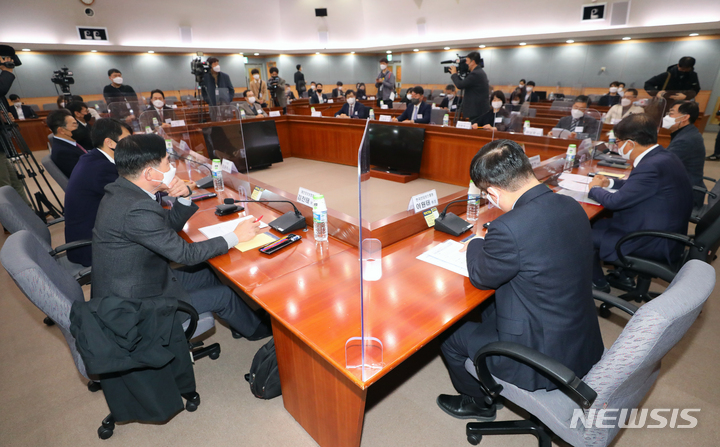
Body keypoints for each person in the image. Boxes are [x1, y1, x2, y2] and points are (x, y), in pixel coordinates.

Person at [438, 139, 604, 420]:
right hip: (580, 337)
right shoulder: (571, 204)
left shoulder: (508, 227)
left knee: (451, 338)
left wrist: (476, 241)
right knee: (489, 307)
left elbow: (481, 277)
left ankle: (479, 403)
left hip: (540, 357)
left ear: (493, 192)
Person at [91, 133, 271, 341]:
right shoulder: (136, 208)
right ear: (149, 173)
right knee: (224, 295)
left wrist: (184, 196)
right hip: (136, 304)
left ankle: (241, 321)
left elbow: (164, 227)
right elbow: (186, 254)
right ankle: (257, 330)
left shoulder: (124, 190)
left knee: (207, 273)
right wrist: (235, 236)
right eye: (167, 162)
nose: (172, 168)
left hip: (142, 278)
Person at [588, 114, 693, 292]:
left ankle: (598, 284)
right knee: (595, 224)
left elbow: (614, 202)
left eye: (618, 142)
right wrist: (609, 183)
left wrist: (594, 189)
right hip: (664, 230)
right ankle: (622, 276)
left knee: (580, 234)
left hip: (651, 240)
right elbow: (638, 186)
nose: (617, 146)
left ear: (630, 143)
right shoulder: (663, 156)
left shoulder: (650, 166)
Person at [64, 118, 132, 266]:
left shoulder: (93, 158)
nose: (132, 144)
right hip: (93, 246)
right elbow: (132, 197)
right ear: (110, 143)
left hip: (96, 230)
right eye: (127, 140)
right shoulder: (101, 169)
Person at [0, 44, 30, 204]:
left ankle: (28, 213)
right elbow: (1, 89)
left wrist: (3, 116)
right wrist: (7, 71)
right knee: (4, 186)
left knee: (16, 182)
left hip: (1, 144)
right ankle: (11, 218)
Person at [662, 101, 706, 208]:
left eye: (671, 113)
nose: (667, 117)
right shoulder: (687, 133)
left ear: (685, 117)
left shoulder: (686, 140)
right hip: (681, 185)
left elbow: (662, 164)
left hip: (685, 194)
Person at [449, 51, 490, 125]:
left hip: (477, 111)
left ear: (472, 62)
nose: (465, 63)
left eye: (467, 61)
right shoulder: (478, 72)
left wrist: (454, 74)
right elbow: (464, 83)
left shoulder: (475, 73)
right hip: (479, 110)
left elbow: (460, 85)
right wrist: (457, 75)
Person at [48, 109, 86, 178]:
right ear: (61, 130)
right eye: (74, 125)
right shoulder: (63, 152)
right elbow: (83, 174)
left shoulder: (69, 143)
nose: (78, 128)